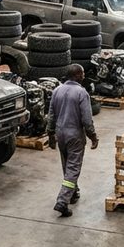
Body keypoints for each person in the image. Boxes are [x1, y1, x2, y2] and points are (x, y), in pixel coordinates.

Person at [47, 64, 98, 217]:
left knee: (67, 165)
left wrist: (51, 134)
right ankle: (62, 201)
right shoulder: (81, 93)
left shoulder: (57, 90)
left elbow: (51, 115)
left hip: (60, 133)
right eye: (82, 73)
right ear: (76, 75)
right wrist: (93, 136)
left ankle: (73, 192)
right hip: (74, 135)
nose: (84, 76)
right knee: (73, 168)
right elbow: (87, 119)